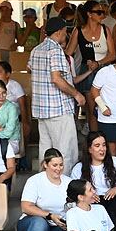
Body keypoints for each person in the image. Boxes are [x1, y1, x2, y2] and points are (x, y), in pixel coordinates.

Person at [29, 18, 87, 174]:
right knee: (65, 153)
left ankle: (45, 186)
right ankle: (65, 188)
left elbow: (31, 70)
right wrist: (76, 94)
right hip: (58, 109)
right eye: (65, 31)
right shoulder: (55, 51)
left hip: (42, 110)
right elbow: (56, 78)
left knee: (46, 153)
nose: (66, 34)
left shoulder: (36, 50)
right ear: (59, 31)